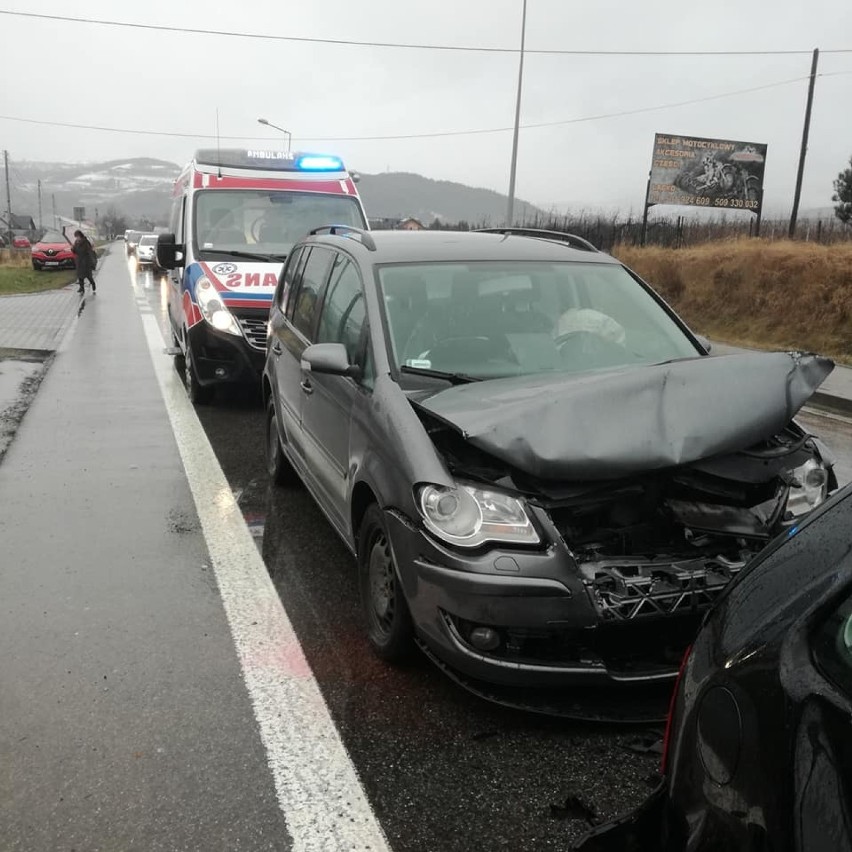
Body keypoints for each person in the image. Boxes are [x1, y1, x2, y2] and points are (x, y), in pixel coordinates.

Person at [71, 230, 97, 294]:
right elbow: (75, 251)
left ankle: (92, 283)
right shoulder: (76, 242)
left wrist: (76, 249)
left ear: (80, 236)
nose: (77, 238)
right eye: (76, 237)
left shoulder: (85, 242)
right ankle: (81, 288)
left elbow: (85, 251)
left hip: (86, 261)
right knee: (80, 275)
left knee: (88, 275)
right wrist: (72, 249)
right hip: (79, 261)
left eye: (77, 236)